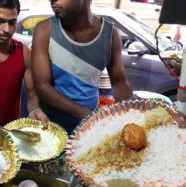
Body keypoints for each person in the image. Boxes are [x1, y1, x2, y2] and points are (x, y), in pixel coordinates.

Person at [31, 0, 132, 133]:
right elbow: (42, 87)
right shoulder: (45, 30)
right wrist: (89, 116)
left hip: (88, 128)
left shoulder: (110, 35)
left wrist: (131, 117)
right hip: (51, 127)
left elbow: (119, 83)